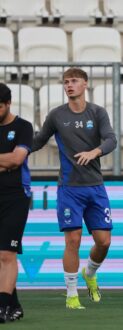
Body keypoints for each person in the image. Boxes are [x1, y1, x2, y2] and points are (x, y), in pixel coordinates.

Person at [32, 68, 117, 309]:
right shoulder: (57, 115)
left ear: (85, 85)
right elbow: (38, 141)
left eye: (74, 81)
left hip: (96, 187)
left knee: (104, 242)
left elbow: (111, 139)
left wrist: (95, 151)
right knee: (73, 240)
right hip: (69, 188)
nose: (69, 85)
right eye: (66, 82)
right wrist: (17, 151)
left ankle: (89, 274)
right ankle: (71, 295)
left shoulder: (98, 112)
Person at [0, 83, 32, 322]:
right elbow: (7, 159)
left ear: (8, 104)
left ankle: (1, 307)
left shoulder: (23, 127)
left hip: (15, 196)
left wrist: (8, 161)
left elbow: (16, 159)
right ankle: (14, 305)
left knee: (6, 253)